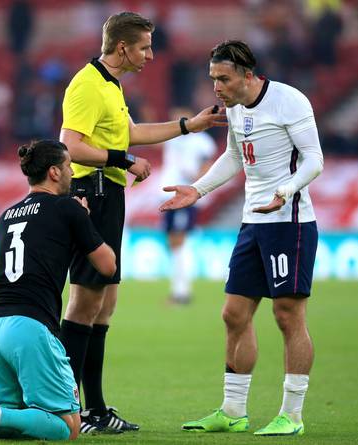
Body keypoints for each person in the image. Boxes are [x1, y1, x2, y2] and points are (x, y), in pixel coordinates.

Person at [59, 11, 226, 434]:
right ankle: (61, 403)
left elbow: (130, 133)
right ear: (122, 48)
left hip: (108, 195)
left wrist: (190, 125)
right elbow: (70, 146)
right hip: (90, 194)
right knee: (84, 301)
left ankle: (94, 409)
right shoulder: (86, 84)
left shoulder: (111, 86)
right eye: (145, 47)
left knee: (105, 303)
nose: (150, 55)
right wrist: (123, 160)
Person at [160, 40, 324, 436]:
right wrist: (197, 190)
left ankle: (292, 415)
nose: (216, 86)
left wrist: (285, 191)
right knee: (233, 314)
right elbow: (234, 155)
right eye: (213, 78)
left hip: (290, 221)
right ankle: (233, 411)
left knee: (287, 316)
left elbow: (314, 160)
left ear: (248, 75)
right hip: (253, 222)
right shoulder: (234, 108)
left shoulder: (290, 101)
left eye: (224, 78)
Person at [0, 139, 116, 442]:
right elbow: (107, 266)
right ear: (54, 172)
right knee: (67, 426)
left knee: (11, 424)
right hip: (28, 327)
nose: (72, 174)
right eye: (68, 167)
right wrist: (84, 221)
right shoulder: (67, 209)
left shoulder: (4, 217)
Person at [161, 106, 217, 304]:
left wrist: (195, 185)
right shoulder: (173, 138)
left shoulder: (202, 142)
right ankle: (179, 289)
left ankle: (182, 292)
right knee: (173, 241)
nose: (175, 119)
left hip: (185, 196)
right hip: (170, 196)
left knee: (179, 240)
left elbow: (206, 166)